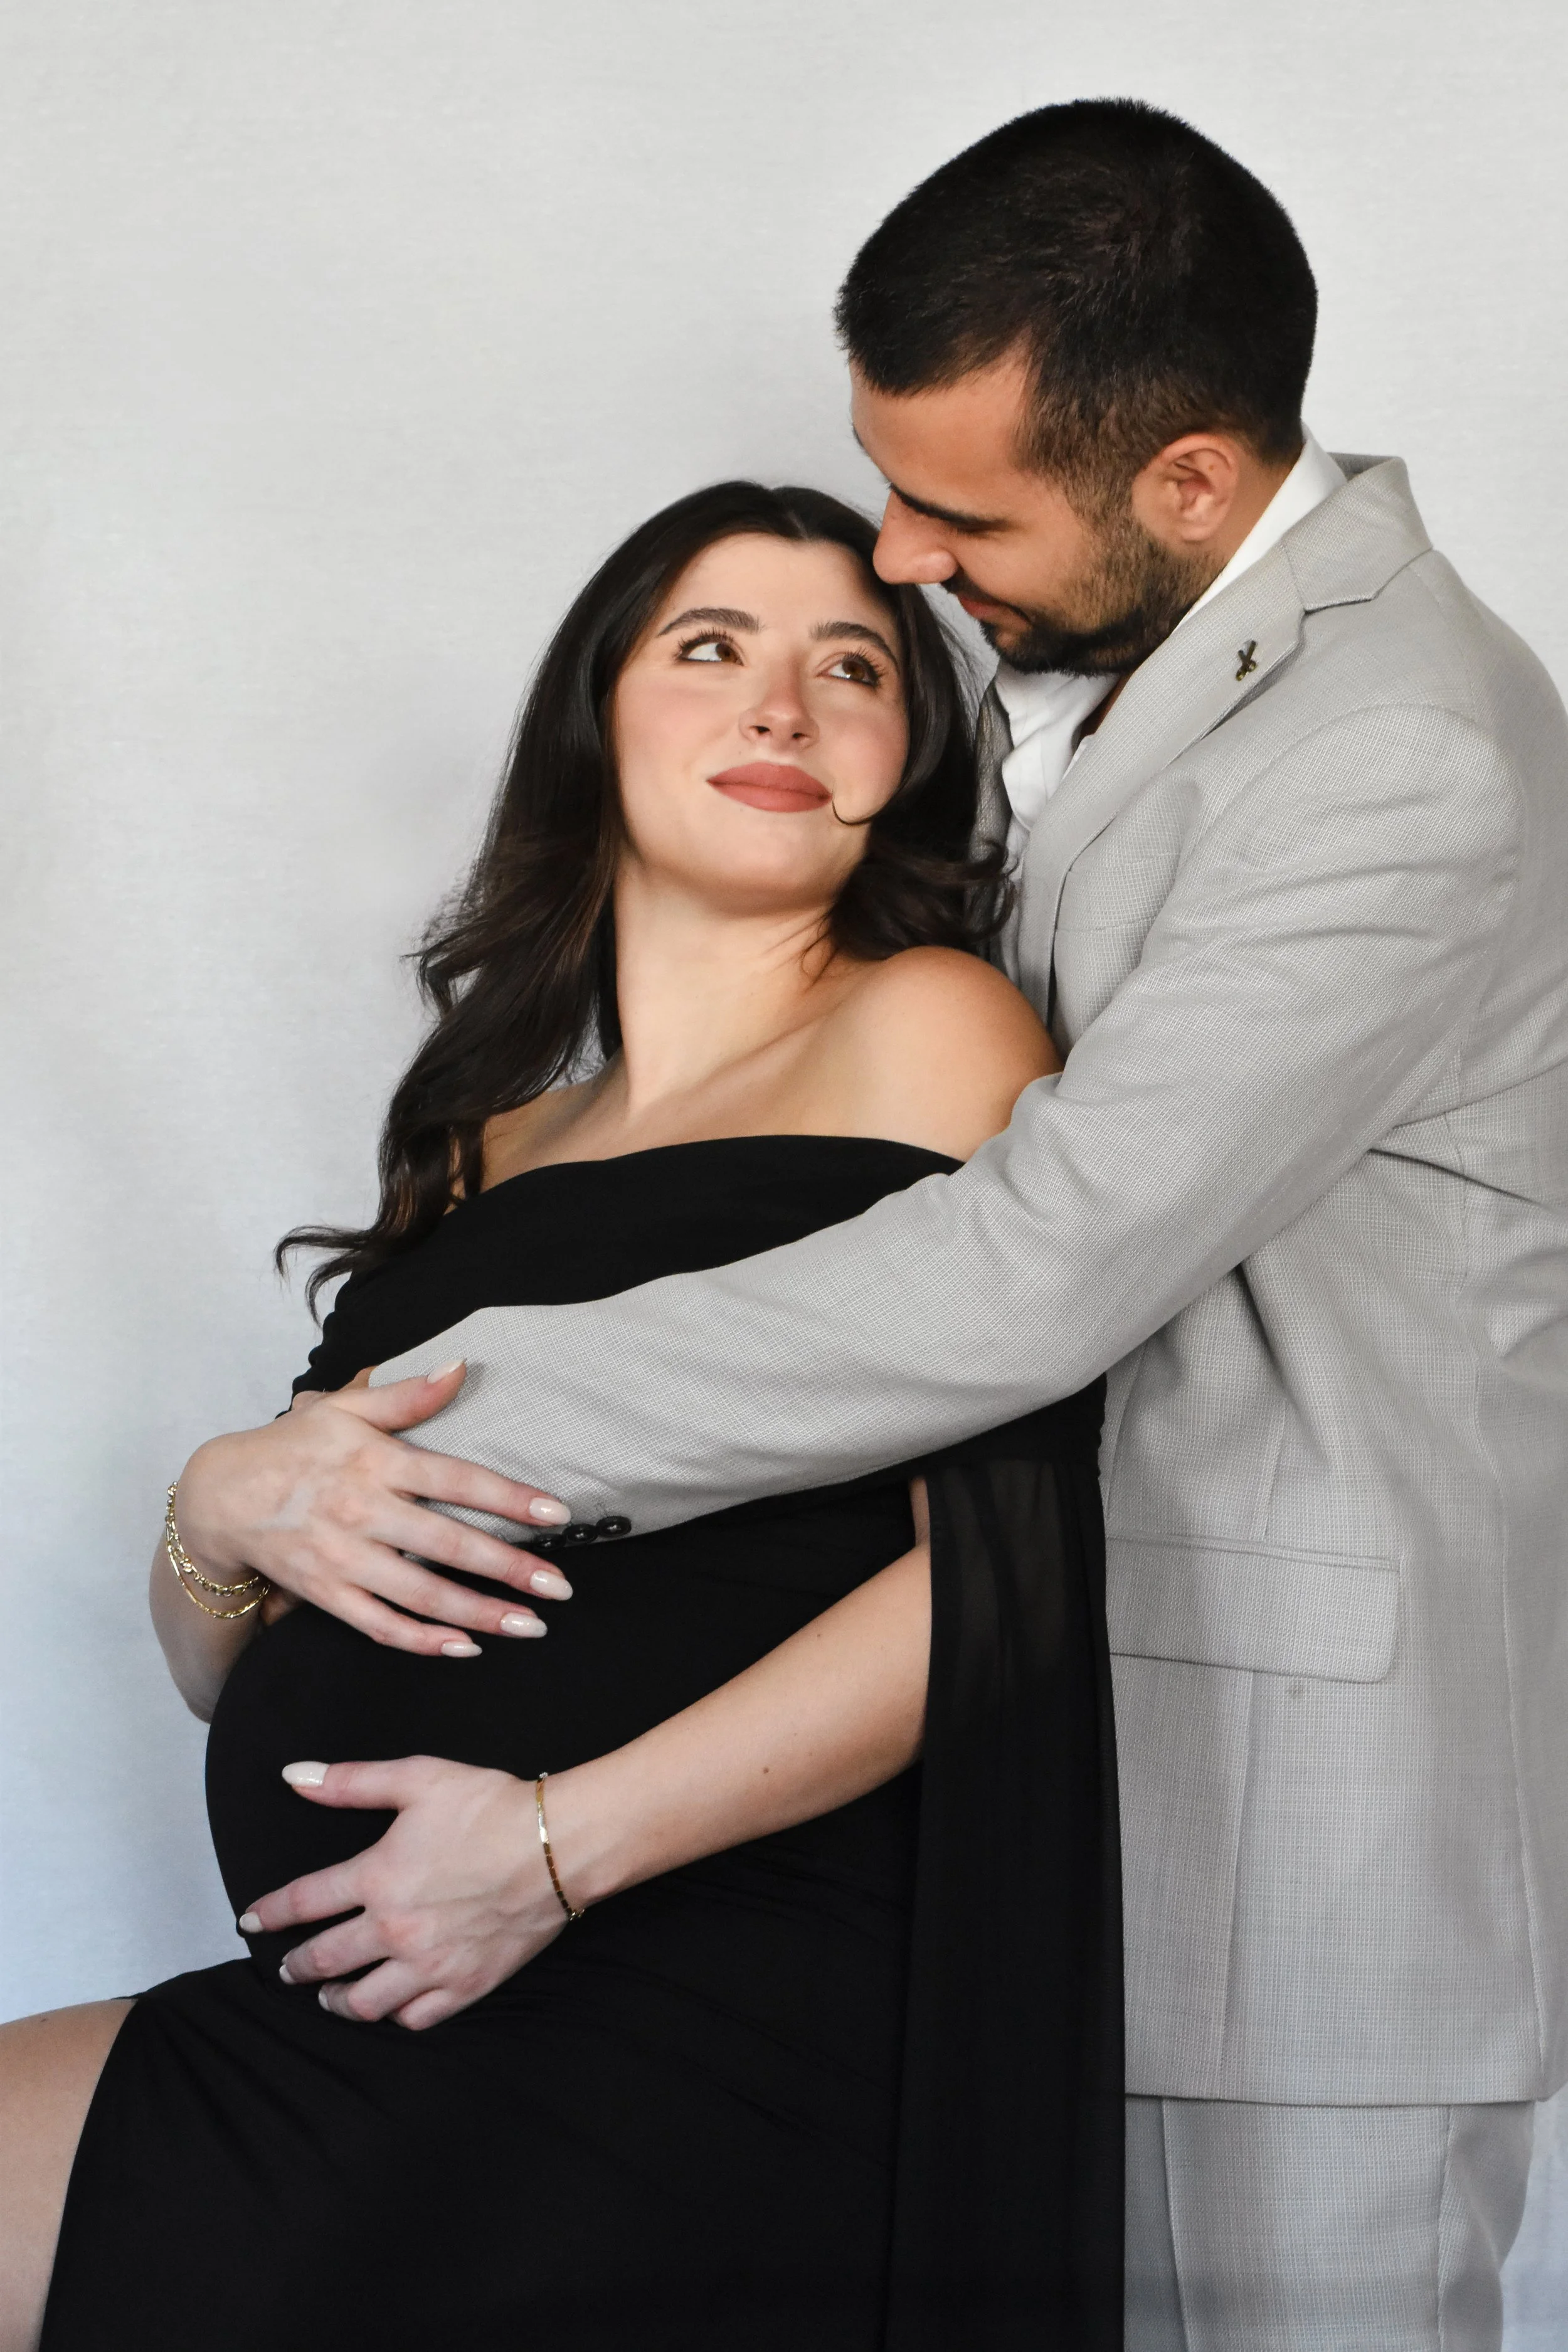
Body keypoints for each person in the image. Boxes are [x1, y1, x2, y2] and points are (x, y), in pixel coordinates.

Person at [124, 100, 1568, 2352]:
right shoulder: (1154, 690)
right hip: (1033, 1845)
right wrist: (242, 1500)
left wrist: (400, 1435)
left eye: (951, 513)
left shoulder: (1397, 752)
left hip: (1283, 1838)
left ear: (1183, 480)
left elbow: (1044, 1269)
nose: (899, 558)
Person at [0, 482, 1123, 2350]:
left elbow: (1008, 1581)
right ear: (594, 720)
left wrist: (550, 1846)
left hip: (678, 1993)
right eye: (711, 649)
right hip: (374, 2004)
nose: (781, 706)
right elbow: (225, 1663)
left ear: (900, 760)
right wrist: (224, 1500)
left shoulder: (930, 1031)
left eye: (849, 667)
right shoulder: (485, 1137)